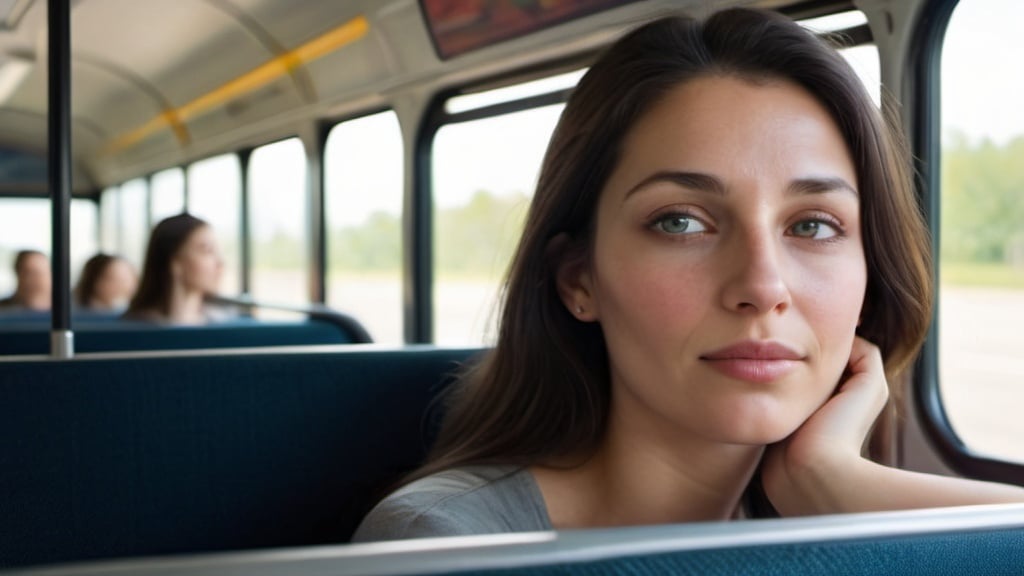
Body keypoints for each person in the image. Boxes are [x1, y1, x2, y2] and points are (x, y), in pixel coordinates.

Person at [353, 8, 1024, 541]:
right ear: (577, 280)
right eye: (682, 221)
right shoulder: (441, 544)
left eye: (813, 225)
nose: (763, 286)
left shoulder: (831, 515)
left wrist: (833, 482)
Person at [124, 213, 224, 325]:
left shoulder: (221, 323)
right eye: (207, 251)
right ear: (175, 261)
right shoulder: (133, 330)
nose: (220, 263)